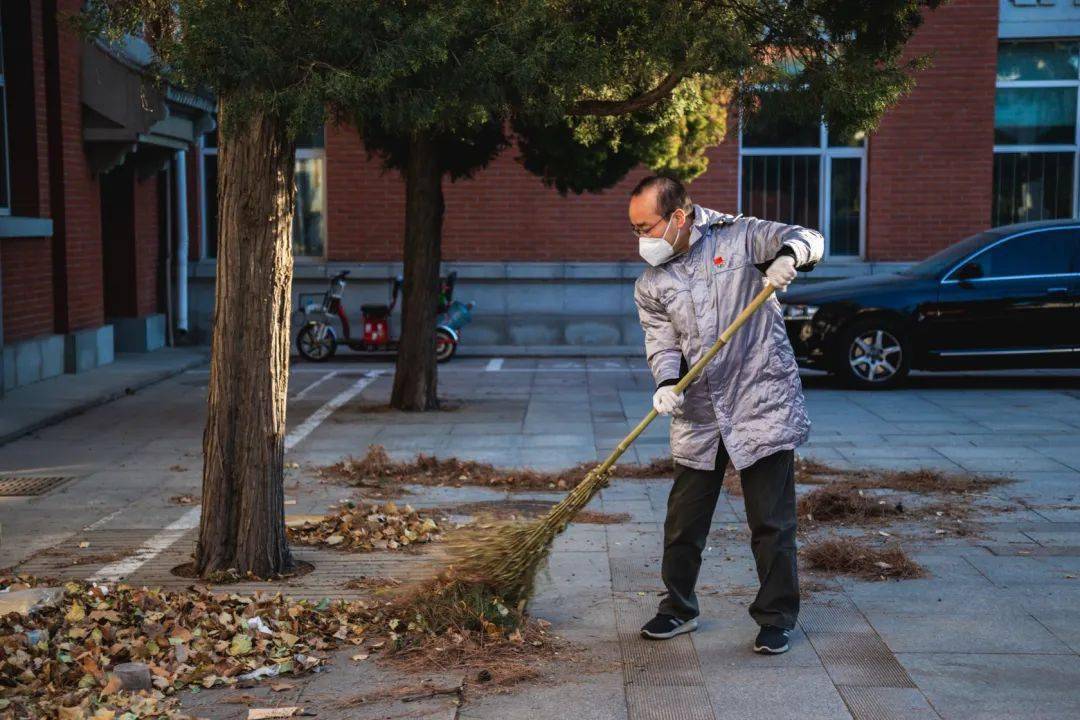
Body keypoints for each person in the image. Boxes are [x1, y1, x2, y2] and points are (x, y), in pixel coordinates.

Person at [630, 175, 823, 654]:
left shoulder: (740, 238)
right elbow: (662, 341)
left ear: (677, 217)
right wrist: (665, 384)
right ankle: (677, 608)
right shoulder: (652, 283)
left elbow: (809, 237)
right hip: (698, 411)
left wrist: (788, 257)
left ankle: (776, 616)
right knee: (683, 522)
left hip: (759, 402)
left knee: (771, 523)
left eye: (645, 227)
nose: (640, 239)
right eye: (634, 229)